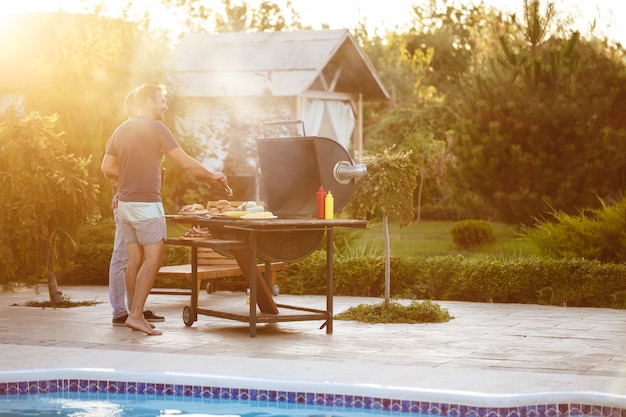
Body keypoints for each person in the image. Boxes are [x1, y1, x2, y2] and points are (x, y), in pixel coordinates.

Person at [101, 84, 228, 335]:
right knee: (155, 258)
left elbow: (107, 168)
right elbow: (186, 164)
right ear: (148, 102)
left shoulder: (121, 130)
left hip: (125, 204)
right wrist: (213, 175)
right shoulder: (157, 128)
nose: (165, 105)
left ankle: (133, 313)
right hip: (146, 204)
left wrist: (131, 172)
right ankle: (135, 315)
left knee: (135, 259)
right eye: (162, 101)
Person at [108, 88, 164, 326]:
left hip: (131, 203)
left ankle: (135, 310)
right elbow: (108, 169)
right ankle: (122, 311)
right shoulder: (127, 132)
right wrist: (130, 179)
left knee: (134, 258)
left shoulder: (136, 135)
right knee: (124, 257)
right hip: (129, 203)